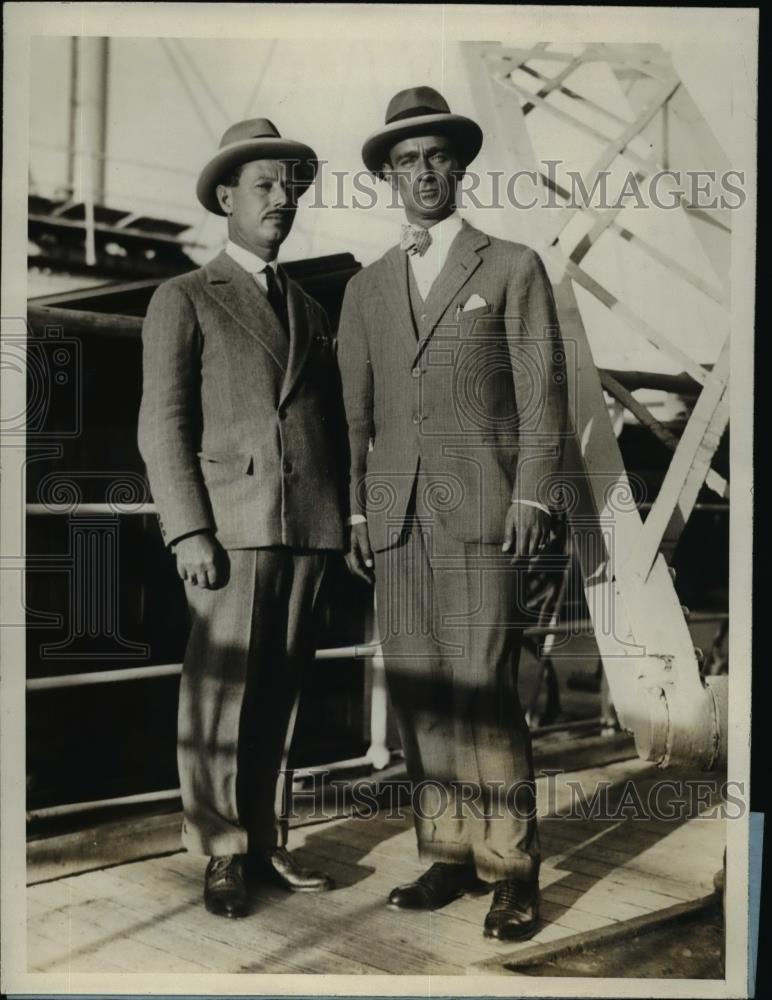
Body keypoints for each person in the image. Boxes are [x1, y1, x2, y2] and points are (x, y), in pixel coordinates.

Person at [336, 87, 568, 940]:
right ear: (389, 178)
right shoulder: (365, 288)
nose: (423, 172)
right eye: (406, 161)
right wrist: (361, 518)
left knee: (483, 687)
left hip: (481, 511)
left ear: (459, 164)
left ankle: (511, 868)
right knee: (422, 690)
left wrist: (534, 492)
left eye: (436, 156)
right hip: (395, 522)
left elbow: (544, 394)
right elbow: (356, 418)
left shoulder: (510, 266)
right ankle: (448, 852)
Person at [138, 118, 345, 918]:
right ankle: (221, 849)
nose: (281, 198)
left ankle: (265, 838)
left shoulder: (305, 304)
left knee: (282, 692)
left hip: (307, 525)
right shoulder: (184, 296)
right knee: (220, 692)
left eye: (290, 186)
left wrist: (343, 518)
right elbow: (163, 423)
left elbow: (327, 422)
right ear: (225, 196)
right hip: (229, 527)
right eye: (264, 185)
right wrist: (187, 529)